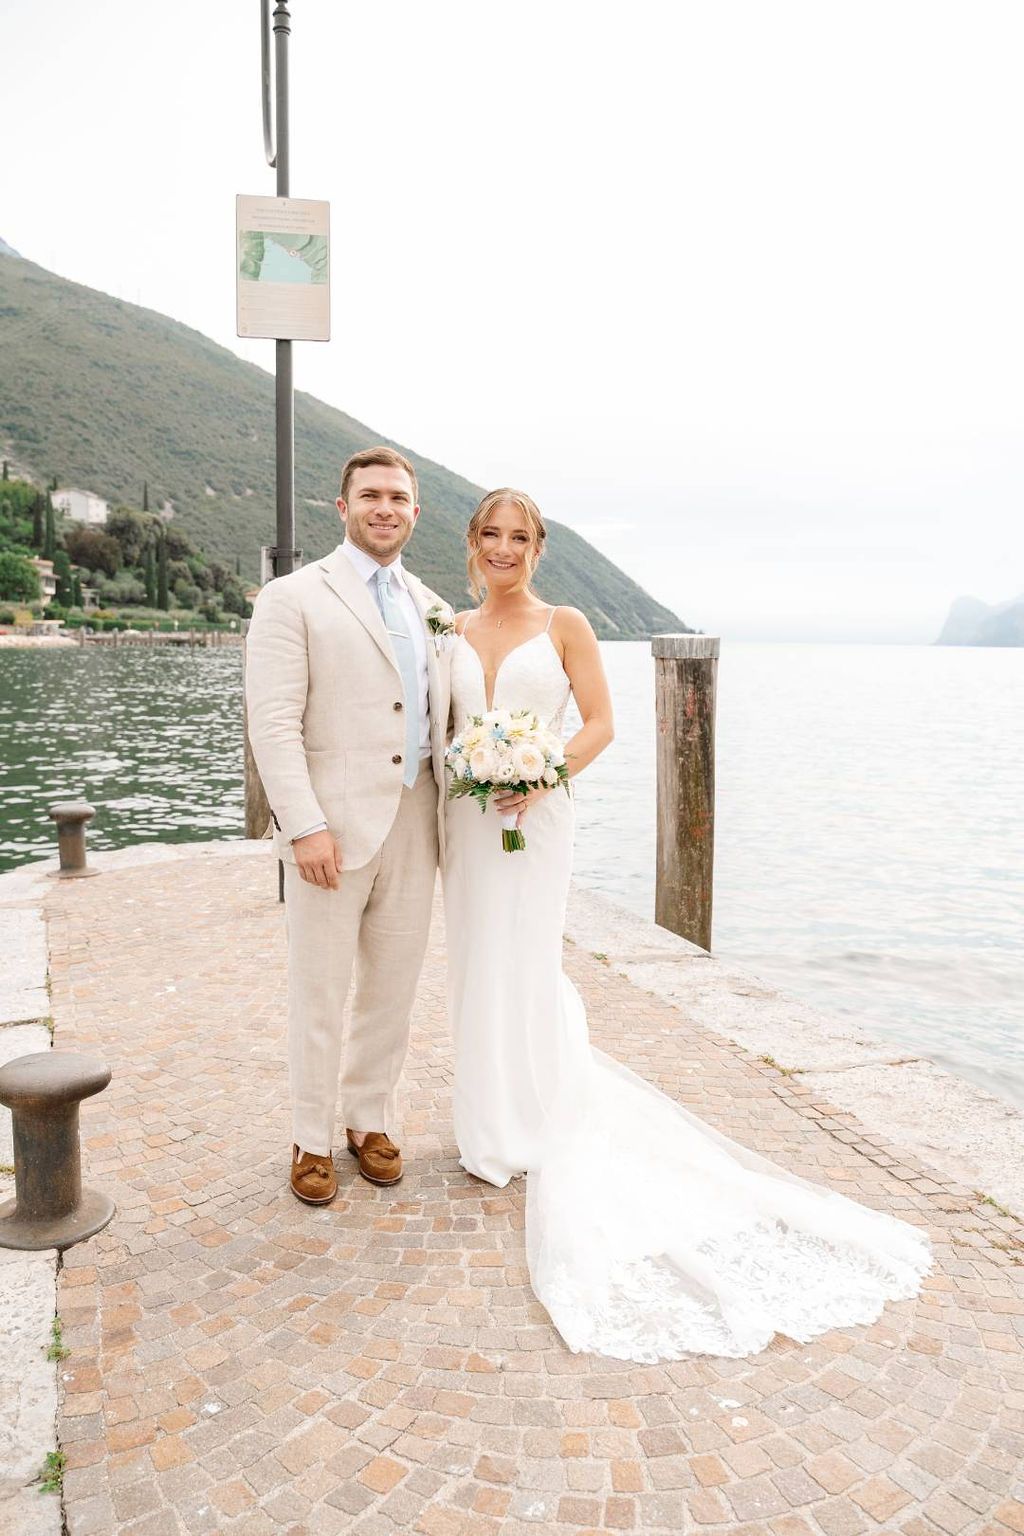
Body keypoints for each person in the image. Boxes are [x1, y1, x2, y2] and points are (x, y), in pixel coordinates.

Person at [443, 488, 931, 1362]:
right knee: (476, 961)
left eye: (521, 536)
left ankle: (536, 1115)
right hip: (467, 824)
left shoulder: (565, 624)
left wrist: (541, 770)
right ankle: (485, 1123)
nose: (506, 548)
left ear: (539, 548)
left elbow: (601, 725)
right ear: (473, 543)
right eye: (493, 535)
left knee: (526, 959)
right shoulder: (453, 631)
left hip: (537, 818)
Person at [245, 446, 451, 1204]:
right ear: (343, 507)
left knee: (391, 991)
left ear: (415, 512)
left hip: (417, 818)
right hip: (330, 826)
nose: (385, 508)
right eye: (370, 495)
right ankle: (309, 1135)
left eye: (398, 497)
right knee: (320, 989)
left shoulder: (430, 603)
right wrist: (303, 825)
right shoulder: (294, 597)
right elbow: (272, 722)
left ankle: (370, 1121)